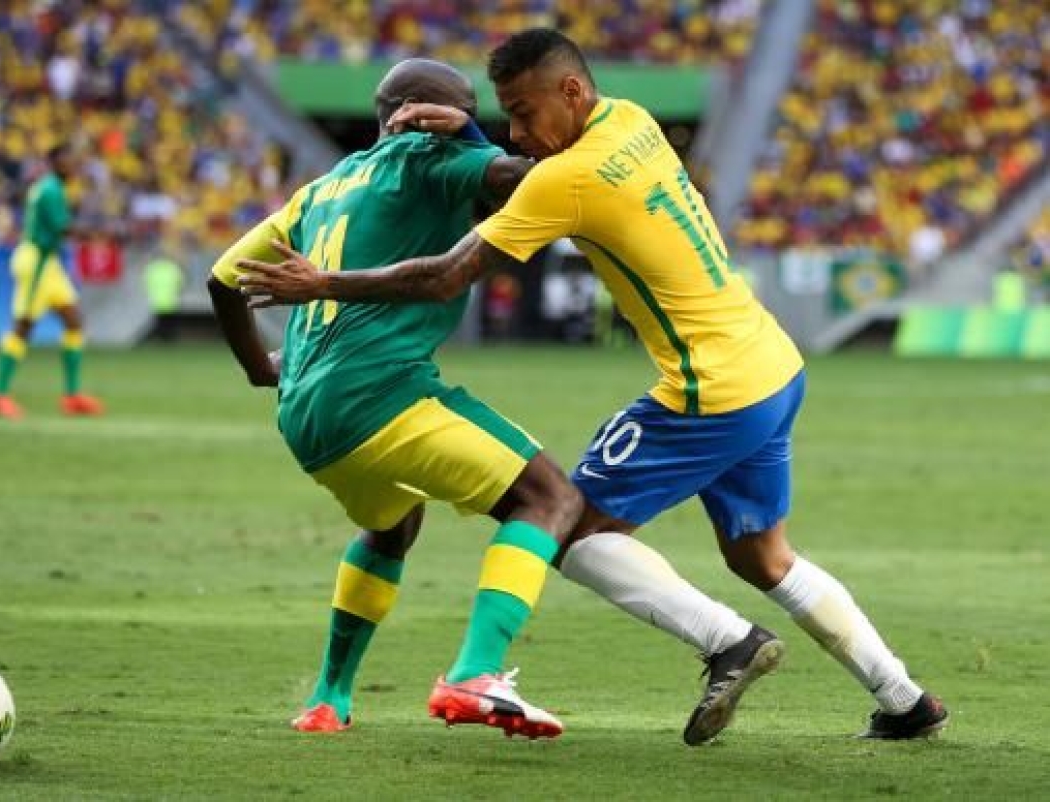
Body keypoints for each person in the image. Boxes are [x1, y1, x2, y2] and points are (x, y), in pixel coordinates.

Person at [239, 29, 949, 743]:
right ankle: (903, 699)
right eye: (505, 118)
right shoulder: (634, 120)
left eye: (523, 112)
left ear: (571, 92)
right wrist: (480, 135)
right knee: (762, 556)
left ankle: (729, 641)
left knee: (567, 526)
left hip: (709, 388)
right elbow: (526, 166)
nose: (519, 133)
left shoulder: (566, 180)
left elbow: (445, 275)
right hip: (770, 363)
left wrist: (322, 283)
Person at [209, 58, 583, 740]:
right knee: (548, 498)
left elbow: (220, 279)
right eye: (464, 107)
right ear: (417, 116)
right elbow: (545, 181)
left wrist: (261, 370)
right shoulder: (426, 156)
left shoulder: (320, 189)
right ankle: (475, 672)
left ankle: (329, 698)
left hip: (305, 415)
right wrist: (468, 135)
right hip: (380, 393)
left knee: (392, 521)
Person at [0, 144, 104, 419]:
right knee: (23, 326)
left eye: (74, 160)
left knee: (74, 321)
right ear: (53, 163)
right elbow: (64, 228)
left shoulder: (50, 187)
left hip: (48, 262)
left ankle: (72, 396)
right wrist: (100, 233)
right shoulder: (50, 190)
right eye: (66, 160)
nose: (72, 165)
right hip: (35, 261)